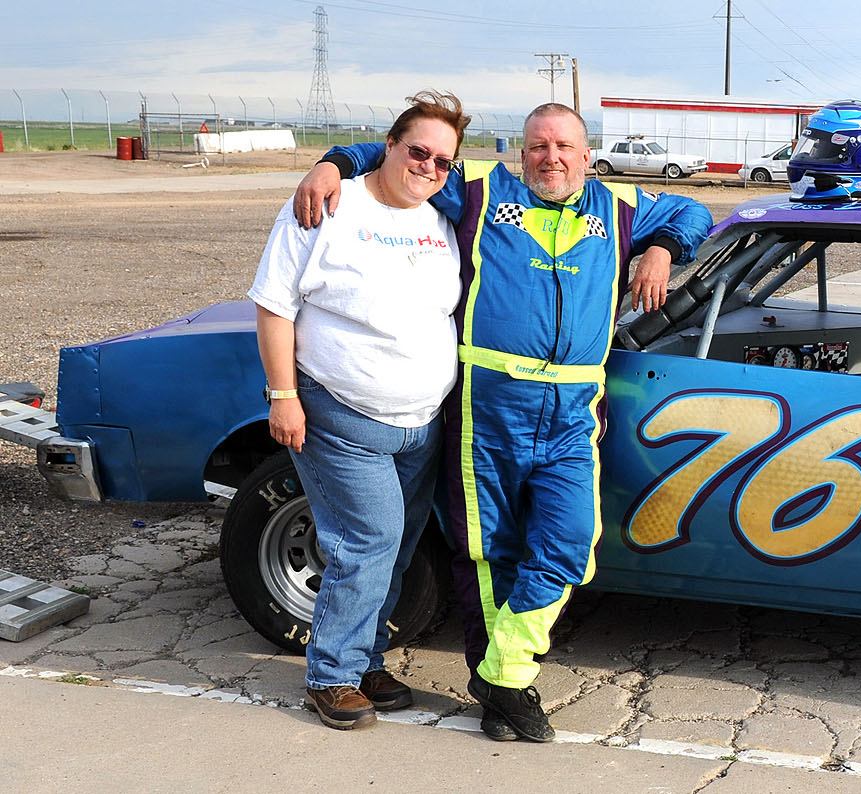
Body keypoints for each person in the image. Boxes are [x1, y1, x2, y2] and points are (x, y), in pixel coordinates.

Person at [293, 103, 712, 742]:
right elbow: (402, 155)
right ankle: (502, 689)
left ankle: (502, 673)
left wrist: (660, 249)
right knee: (488, 555)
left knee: (571, 543)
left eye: (564, 146)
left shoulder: (620, 206)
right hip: (487, 413)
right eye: (539, 146)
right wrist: (332, 164)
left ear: (587, 153)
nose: (552, 158)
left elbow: (695, 212)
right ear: (522, 152)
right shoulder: (482, 190)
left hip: (572, 416)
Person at [250, 90, 470, 731]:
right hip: (341, 414)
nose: (429, 167)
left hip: (422, 422)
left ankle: (365, 658)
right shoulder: (326, 207)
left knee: (395, 547)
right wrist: (283, 395)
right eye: (418, 151)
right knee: (367, 541)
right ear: (388, 146)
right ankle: (333, 676)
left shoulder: (442, 217)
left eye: (444, 161)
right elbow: (274, 306)